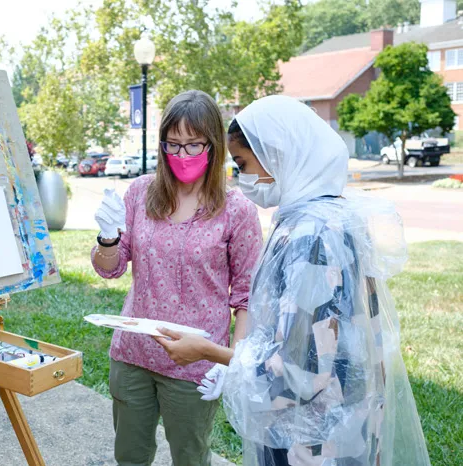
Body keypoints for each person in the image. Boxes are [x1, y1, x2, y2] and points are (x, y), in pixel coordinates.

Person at [155, 95, 431, 466]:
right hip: (339, 423)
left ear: (278, 155)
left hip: (314, 440)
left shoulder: (311, 236)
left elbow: (301, 371)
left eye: (243, 164)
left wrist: (207, 353)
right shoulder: (328, 217)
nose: (243, 178)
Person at [91, 90, 263, 466]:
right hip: (133, 353)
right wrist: (108, 238)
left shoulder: (238, 211)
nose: (181, 155)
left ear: (213, 145)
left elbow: (248, 297)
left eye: (192, 145)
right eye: (173, 145)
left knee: (190, 457)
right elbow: (111, 268)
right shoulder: (141, 192)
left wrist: (228, 362)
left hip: (195, 363)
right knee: (130, 455)